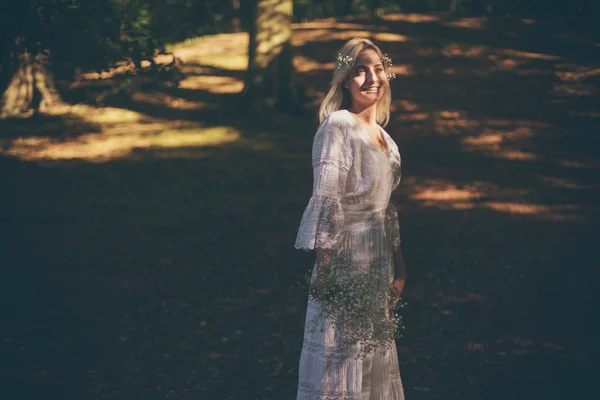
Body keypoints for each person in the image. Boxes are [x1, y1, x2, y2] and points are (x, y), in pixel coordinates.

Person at [294, 38, 407, 399]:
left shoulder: (387, 140)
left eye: (377, 69)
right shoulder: (338, 127)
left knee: (372, 360)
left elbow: (386, 209)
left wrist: (399, 264)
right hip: (345, 259)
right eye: (360, 70)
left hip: (378, 262)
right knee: (340, 362)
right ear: (344, 79)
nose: (371, 78)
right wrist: (326, 273)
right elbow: (327, 198)